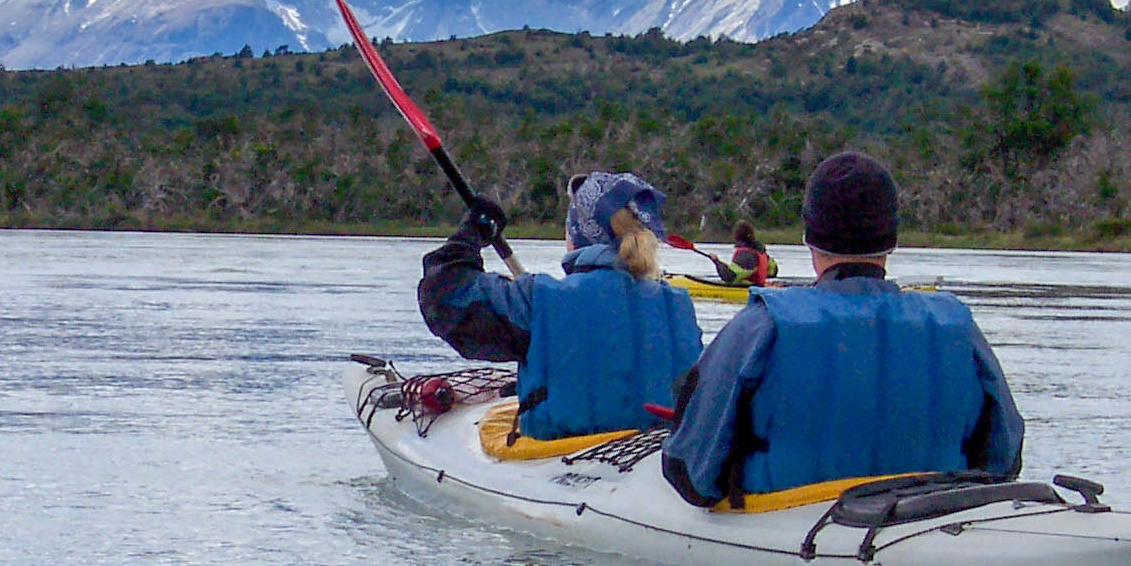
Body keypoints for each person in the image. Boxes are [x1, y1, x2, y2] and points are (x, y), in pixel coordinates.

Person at [661, 151, 1023, 507]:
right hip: (933, 518)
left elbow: (692, 475)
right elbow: (1004, 461)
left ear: (809, 237)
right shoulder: (957, 324)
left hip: (782, 519)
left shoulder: (762, 325)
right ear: (891, 240)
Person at [419, 171, 704, 440]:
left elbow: (445, 299)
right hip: (652, 454)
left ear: (578, 235)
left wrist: (468, 238)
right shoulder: (678, 304)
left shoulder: (539, 298)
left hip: (562, 454)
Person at [722, 220, 773, 286]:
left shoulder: (745, 254)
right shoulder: (760, 251)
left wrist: (716, 262)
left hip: (749, 288)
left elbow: (729, 276)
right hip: (758, 285)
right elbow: (773, 271)